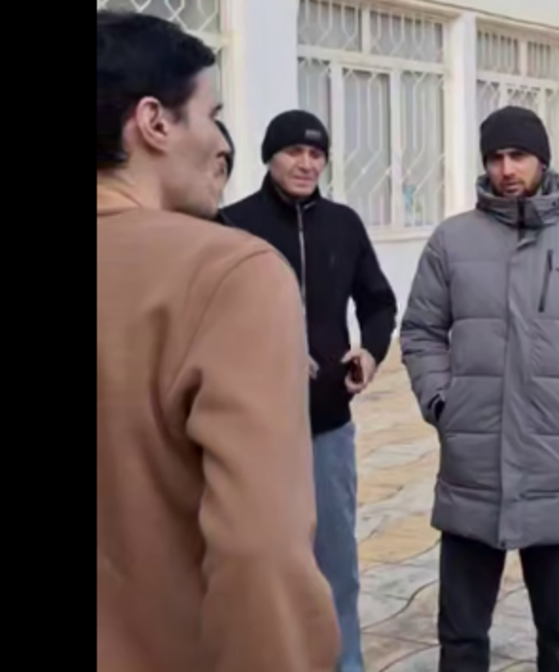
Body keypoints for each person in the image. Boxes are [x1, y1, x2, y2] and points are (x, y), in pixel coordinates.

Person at [96, 11, 338, 672]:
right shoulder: (230, 271)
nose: (222, 143)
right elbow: (261, 554)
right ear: (154, 122)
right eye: (212, 114)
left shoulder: (330, 227)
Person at [399, 105, 559, 672]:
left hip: (558, 471)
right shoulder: (451, 241)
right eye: (496, 157)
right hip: (472, 470)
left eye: (519, 156)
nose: (506, 169)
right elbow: (421, 331)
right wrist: (442, 401)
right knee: (461, 638)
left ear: (542, 160)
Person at [221, 108, 397, 672]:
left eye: (316, 153)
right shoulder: (231, 225)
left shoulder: (344, 224)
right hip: (254, 432)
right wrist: (265, 353)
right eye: (293, 151)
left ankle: (345, 664)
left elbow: (378, 302)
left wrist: (370, 350)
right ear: (269, 157)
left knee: (336, 566)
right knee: (258, 564)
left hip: (327, 428)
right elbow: (209, 319)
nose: (305, 163)